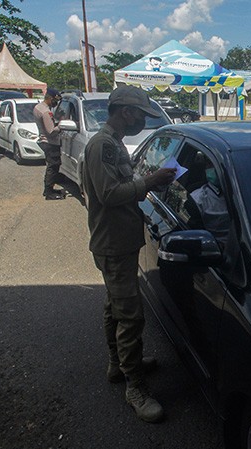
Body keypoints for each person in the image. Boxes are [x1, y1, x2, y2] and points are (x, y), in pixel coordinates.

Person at [82, 84, 176, 423]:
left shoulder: (114, 144)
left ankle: (118, 366)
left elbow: (121, 185)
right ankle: (135, 388)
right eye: (140, 115)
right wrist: (149, 183)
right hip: (113, 244)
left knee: (115, 306)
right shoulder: (103, 146)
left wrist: (148, 179)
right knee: (130, 316)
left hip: (119, 241)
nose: (142, 122)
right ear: (126, 112)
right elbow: (110, 194)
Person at [34, 88, 79, 201]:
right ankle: (49, 191)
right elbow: (51, 131)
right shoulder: (46, 112)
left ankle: (49, 189)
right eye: (55, 100)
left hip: (45, 140)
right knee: (53, 167)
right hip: (50, 142)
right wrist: (61, 125)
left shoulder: (38, 108)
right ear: (50, 98)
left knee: (52, 166)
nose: (56, 103)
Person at [185, 153, 229, 246]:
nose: (215, 169)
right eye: (209, 165)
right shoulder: (197, 199)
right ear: (204, 168)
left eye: (217, 165)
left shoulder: (246, 192)